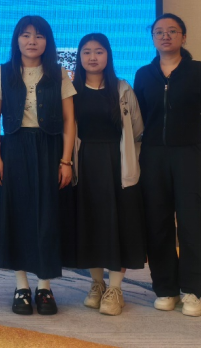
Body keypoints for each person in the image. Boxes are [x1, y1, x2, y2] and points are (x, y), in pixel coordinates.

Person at [0, 16, 75, 315]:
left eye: (38, 35)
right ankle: (22, 285)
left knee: (47, 216)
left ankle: (45, 287)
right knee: (18, 215)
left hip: (49, 148)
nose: (32, 41)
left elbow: (69, 120)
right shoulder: (4, 71)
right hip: (15, 148)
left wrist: (66, 160)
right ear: (17, 40)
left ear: (47, 41)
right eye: (25, 35)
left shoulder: (58, 73)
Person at [133, 13, 201, 317]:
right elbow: (139, 118)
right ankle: (165, 288)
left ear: (184, 37)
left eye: (172, 31)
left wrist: (192, 141)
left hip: (189, 157)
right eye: (159, 31)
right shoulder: (144, 74)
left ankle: (193, 290)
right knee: (157, 223)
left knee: (194, 222)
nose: (165, 36)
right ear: (153, 38)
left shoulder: (199, 71)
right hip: (153, 158)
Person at [69, 33, 145, 316]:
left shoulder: (122, 89)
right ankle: (97, 284)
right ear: (79, 57)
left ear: (108, 55)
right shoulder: (71, 90)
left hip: (117, 164)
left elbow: (137, 128)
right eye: (86, 52)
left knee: (118, 225)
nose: (92, 57)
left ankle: (115, 289)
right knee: (90, 223)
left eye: (99, 51)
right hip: (84, 164)